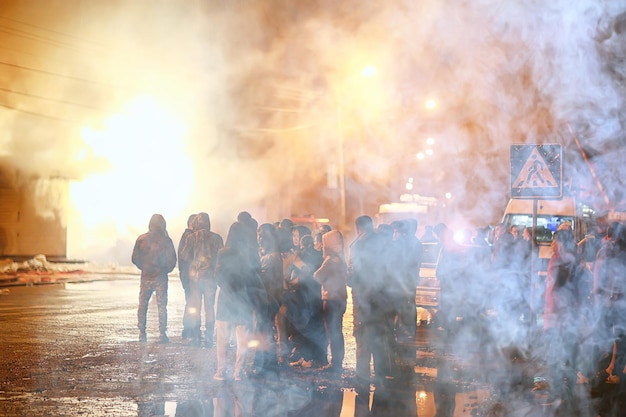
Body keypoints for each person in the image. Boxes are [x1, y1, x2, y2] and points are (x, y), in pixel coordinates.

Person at [214, 221, 261, 381]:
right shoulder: (250, 253)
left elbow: (218, 275)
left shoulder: (223, 253)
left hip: (226, 299)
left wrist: (227, 288)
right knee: (243, 339)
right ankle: (238, 372)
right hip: (244, 299)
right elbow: (255, 277)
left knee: (222, 338)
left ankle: (220, 371)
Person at [131, 214, 177, 344]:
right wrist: (164, 270)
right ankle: (162, 334)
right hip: (160, 277)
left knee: (143, 305)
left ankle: (142, 333)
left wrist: (144, 267)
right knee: (162, 306)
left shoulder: (141, 239)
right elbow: (172, 260)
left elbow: (135, 258)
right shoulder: (166, 241)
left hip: (146, 276)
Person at [182, 212, 224, 346]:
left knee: (196, 307)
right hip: (210, 277)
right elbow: (221, 257)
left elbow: (184, 256)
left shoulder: (190, 238)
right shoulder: (217, 238)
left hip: (194, 278)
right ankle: (209, 338)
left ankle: (195, 337)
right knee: (209, 307)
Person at [251, 223, 283, 378]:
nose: (259, 238)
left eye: (262, 235)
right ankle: (268, 364)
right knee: (265, 331)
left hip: (268, 300)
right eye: (258, 234)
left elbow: (263, 281)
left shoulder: (271, 258)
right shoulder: (269, 255)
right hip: (268, 299)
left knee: (262, 332)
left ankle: (262, 366)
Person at [314, 230, 348, 373]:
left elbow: (317, 276)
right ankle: (337, 362)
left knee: (333, 332)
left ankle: (335, 364)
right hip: (340, 299)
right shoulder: (340, 259)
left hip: (331, 299)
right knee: (337, 331)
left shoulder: (330, 261)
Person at [177, 214, 196, 339]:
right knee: (191, 301)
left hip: (186, 274)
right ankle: (188, 328)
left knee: (190, 301)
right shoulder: (189, 237)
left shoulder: (187, 236)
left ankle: (188, 328)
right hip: (189, 275)